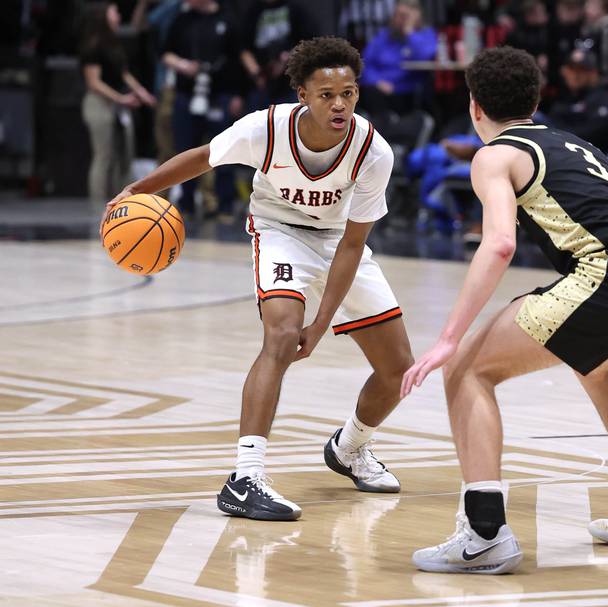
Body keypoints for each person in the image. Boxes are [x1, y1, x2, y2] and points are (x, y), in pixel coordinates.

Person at [401, 46, 608, 574]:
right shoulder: (576, 145)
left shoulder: (495, 154)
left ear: (474, 107)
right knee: (602, 372)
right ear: (535, 99)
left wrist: (449, 337)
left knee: (467, 369)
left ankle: (484, 533)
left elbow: (498, 246)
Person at [102, 37, 414, 521]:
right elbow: (204, 157)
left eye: (348, 94)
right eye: (327, 94)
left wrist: (324, 321)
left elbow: (353, 245)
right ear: (303, 95)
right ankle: (245, 478)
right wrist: (137, 189)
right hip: (279, 232)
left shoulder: (373, 152)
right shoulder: (264, 128)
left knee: (398, 371)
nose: (339, 104)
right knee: (282, 335)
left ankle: (350, 447)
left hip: (336, 241)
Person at [162, 0, 244, 219]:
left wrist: (238, 94)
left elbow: (239, 58)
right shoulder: (182, 19)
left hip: (220, 95)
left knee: (224, 151)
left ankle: (224, 205)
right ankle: (186, 204)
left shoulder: (227, 19)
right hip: (188, 95)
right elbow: (165, 52)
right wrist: (182, 65)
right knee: (184, 148)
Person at [80, 1, 156, 208]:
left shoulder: (114, 43)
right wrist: (121, 98)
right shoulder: (92, 45)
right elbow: (94, 82)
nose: (118, 15)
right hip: (99, 103)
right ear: (102, 16)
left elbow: (124, 74)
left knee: (122, 155)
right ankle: (97, 205)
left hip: (118, 104)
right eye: (113, 12)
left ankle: (121, 201)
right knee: (103, 155)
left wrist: (142, 93)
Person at [358, 0, 436, 116]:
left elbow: (424, 58)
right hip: (378, 87)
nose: (400, 20)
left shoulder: (426, 34)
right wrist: (377, 81)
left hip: (407, 89)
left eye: (405, 16)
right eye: (397, 15)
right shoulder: (384, 36)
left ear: (416, 16)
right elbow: (364, 63)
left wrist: (410, 33)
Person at [548, 48, 608, 153]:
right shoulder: (563, 98)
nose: (574, 74)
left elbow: (598, 131)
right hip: (564, 154)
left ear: (593, 73)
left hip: (600, 156)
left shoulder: (606, 97)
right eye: (571, 69)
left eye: (581, 69)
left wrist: (564, 134)